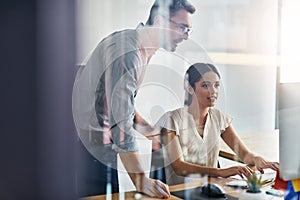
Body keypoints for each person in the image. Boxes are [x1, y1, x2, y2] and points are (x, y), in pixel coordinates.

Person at [72, 0, 196, 198]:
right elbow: (120, 122)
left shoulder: (136, 47)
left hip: (98, 143)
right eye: (182, 27)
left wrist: (148, 130)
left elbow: (119, 104)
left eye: (189, 30)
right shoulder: (128, 53)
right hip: (87, 147)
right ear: (159, 20)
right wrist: (140, 179)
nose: (186, 36)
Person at [157, 63, 279, 185]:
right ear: (189, 88)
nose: (213, 91)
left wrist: (256, 159)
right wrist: (220, 172)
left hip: (213, 190)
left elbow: (244, 154)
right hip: (181, 191)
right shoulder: (171, 120)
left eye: (216, 85)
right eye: (205, 85)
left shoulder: (219, 118)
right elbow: (179, 166)